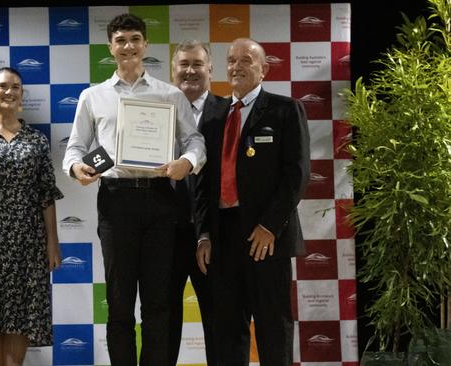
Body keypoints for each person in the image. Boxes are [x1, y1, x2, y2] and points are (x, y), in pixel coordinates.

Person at [62, 13, 206, 366]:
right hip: (115, 202)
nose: (128, 46)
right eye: (121, 40)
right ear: (111, 47)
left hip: (160, 201)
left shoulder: (169, 94)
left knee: (158, 303)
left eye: (135, 39)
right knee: (120, 302)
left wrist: (185, 163)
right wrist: (76, 168)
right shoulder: (92, 96)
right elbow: (75, 148)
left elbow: (195, 140)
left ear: (145, 45)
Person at [194, 38, 310, 366]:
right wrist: (203, 233)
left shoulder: (285, 109)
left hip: (266, 237)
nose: (237, 66)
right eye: (231, 60)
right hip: (222, 236)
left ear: (264, 70)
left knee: (273, 325)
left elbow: (297, 175)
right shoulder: (214, 115)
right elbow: (202, 183)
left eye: (246, 60)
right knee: (228, 328)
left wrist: (269, 226)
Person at [0, 67, 64, 366]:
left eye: (15, 87)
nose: (9, 91)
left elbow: (46, 194)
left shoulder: (36, 140)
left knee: (22, 312)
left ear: (22, 95)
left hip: (29, 237)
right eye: (3, 86)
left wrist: (53, 242)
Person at [169, 39, 228, 366]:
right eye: (184, 64)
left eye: (197, 64)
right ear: (173, 70)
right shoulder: (157, 112)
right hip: (165, 233)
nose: (190, 71)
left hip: (216, 235)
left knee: (220, 322)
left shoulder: (230, 111)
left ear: (210, 69)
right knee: (162, 323)